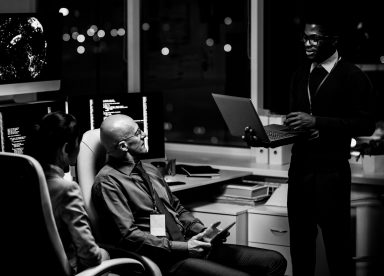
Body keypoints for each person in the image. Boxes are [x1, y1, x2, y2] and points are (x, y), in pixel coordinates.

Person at [243, 14, 376, 276]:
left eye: (314, 38)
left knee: (338, 250)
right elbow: (299, 124)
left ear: (333, 40)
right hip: (300, 170)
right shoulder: (300, 73)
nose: (307, 44)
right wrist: (267, 138)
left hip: (332, 174)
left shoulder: (353, 76)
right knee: (300, 249)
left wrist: (318, 123)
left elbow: (365, 125)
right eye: (304, 38)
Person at [92, 114, 287, 276]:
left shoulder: (149, 169)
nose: (144, 134)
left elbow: (177, 208)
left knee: (274, 261)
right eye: (137, 132)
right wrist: (184, 248)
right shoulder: (108, 182)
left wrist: (202, 231)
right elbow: (129, 236)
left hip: (189, 244)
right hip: (164, 257)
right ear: (124, 146)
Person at [25, 111, 110, 274]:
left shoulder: (22, 183)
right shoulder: (66, 189)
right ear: (65, 149)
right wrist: (104, 254)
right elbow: (90, 255)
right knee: (106, 254)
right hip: (69, 269)